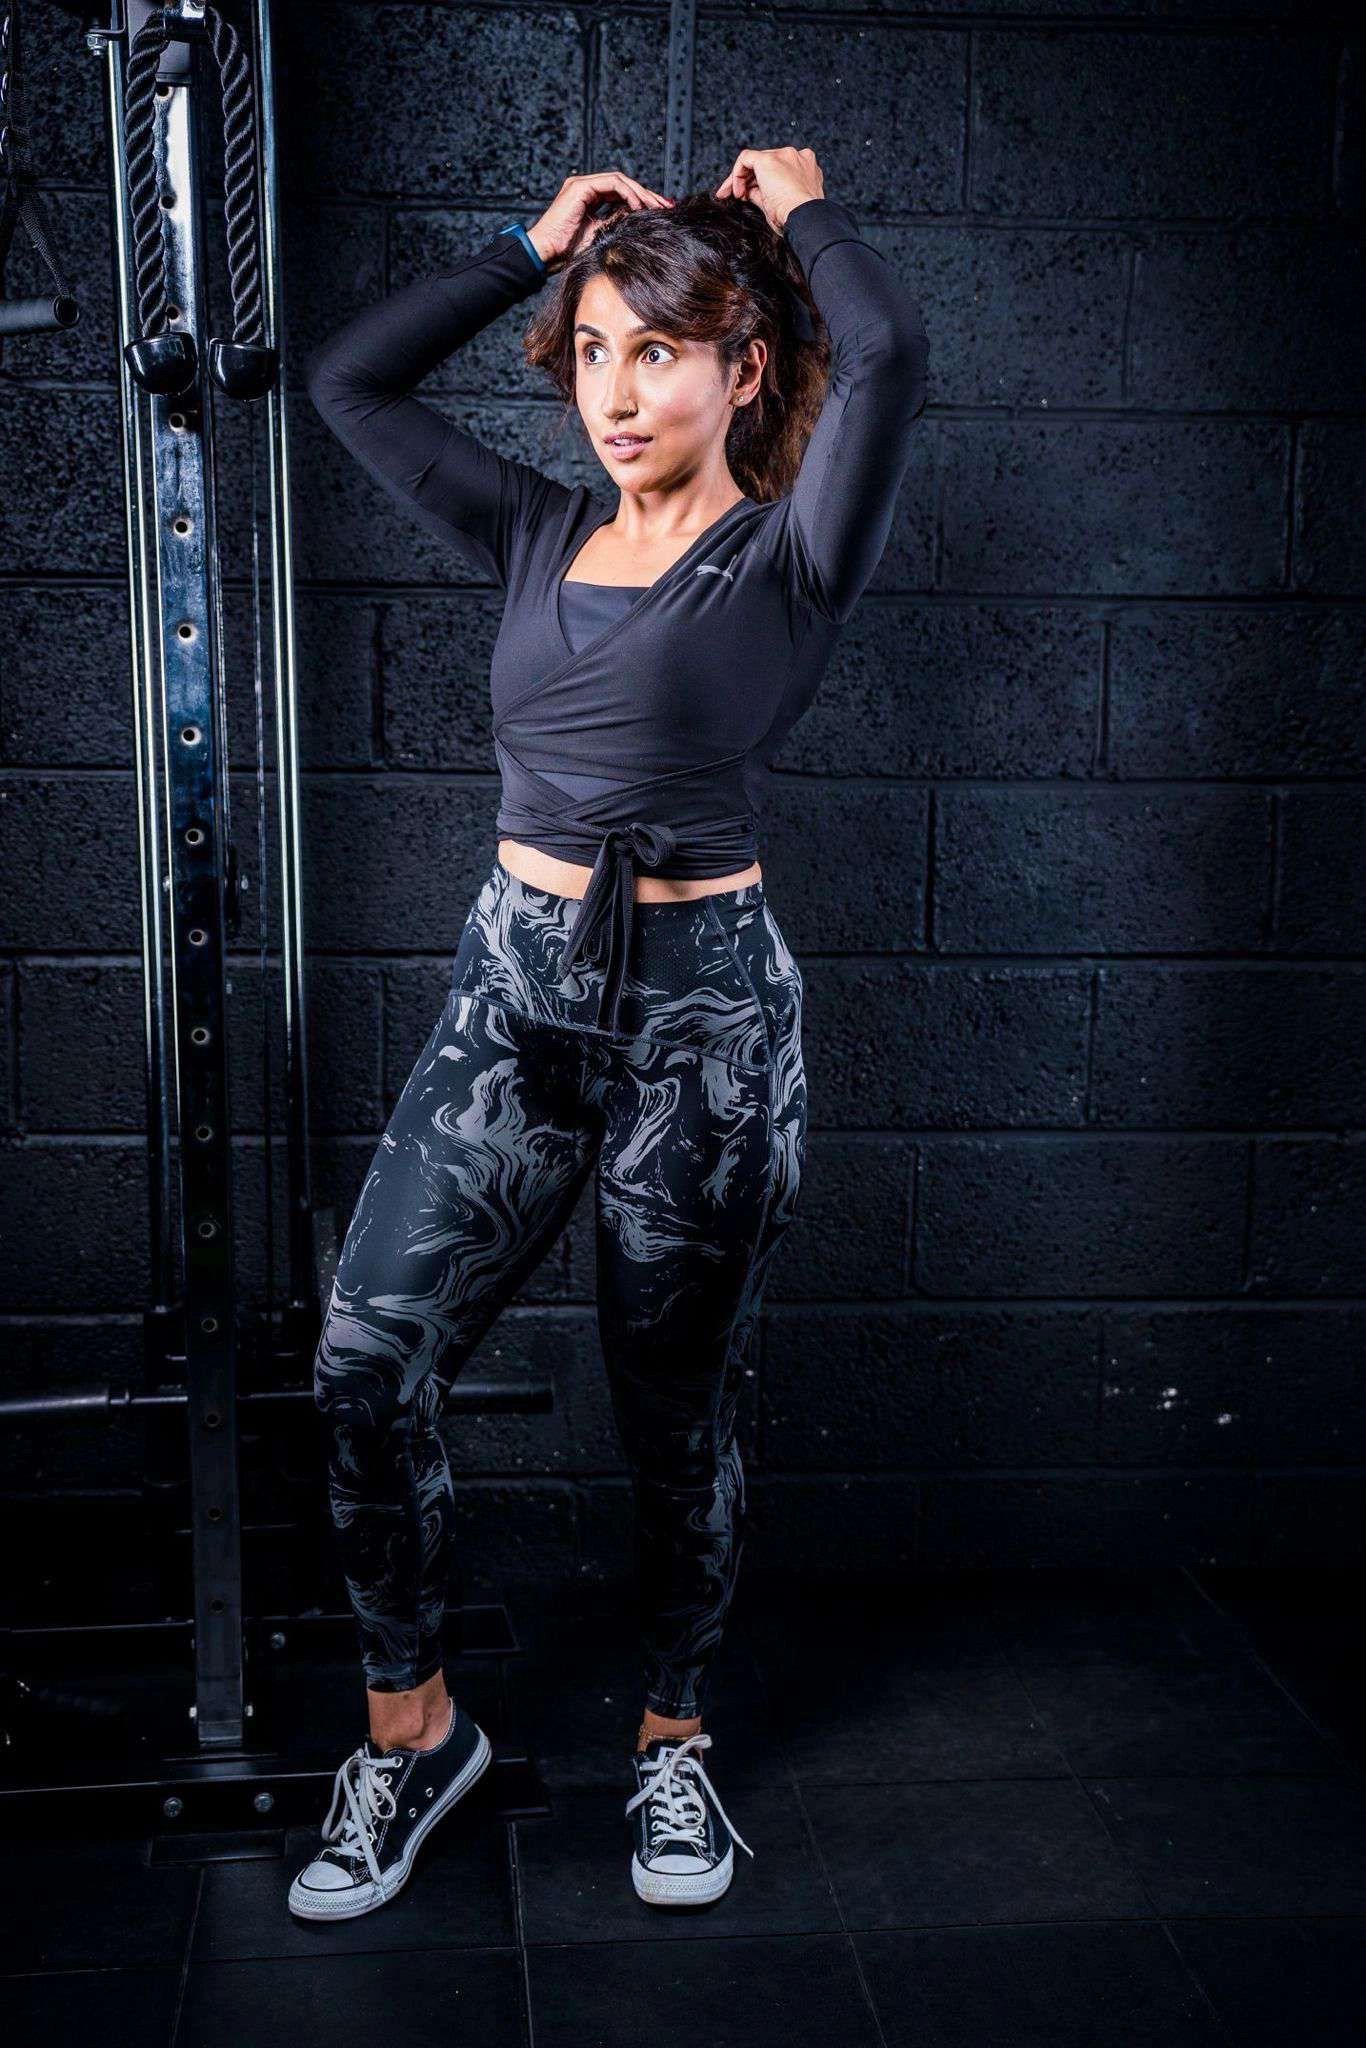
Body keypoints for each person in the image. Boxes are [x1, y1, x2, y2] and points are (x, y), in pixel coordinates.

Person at [287, 144, 929, 1921]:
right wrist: (529, 244)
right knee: (362, 1361)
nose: (617, 391)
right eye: (590, 352)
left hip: (703, 1035)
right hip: (511, 1002)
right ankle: (412, 1737)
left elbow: (887, 358)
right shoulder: (531, 530)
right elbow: (345, 379)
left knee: (672, 1411)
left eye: (656, 352)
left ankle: (671, 1744)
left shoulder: (787, 555)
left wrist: (802, 210)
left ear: (737, 368)